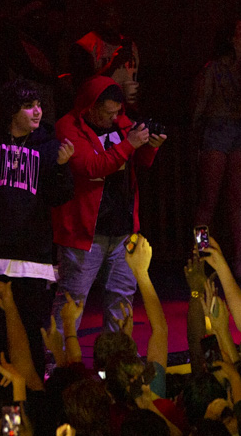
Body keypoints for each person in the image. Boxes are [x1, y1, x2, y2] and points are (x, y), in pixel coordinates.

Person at [0, 78, 75, 378]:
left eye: (39, 105)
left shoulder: (49, 146)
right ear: (12, 110)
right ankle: (10, 418)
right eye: (29, 106)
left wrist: (63, 167)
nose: (37, 111)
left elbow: (60, 196)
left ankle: (33, 410)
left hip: (33, 260)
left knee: (32, 340)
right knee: (1, 343)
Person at [50, 76, 166, 335]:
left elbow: (140, 162)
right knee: (73, 301)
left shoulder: (123, 123)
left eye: (118, 112)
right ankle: (58, 367)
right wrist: (130, 143)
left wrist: (150, 147)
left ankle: (116, 362)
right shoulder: (67, 127)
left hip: (123, 229)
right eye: (108, 113)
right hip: (84, 232)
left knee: (121, 299)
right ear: (90, 107)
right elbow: (90, 168)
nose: (115, 119)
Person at [192, 18, 241, 280]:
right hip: (216, 130)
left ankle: (238, 261)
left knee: (236, 200)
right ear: (231, 37)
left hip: (240, 131)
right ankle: (199, 254)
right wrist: (196, 139)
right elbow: (200, 106)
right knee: (208, 200)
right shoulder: (214, 69)